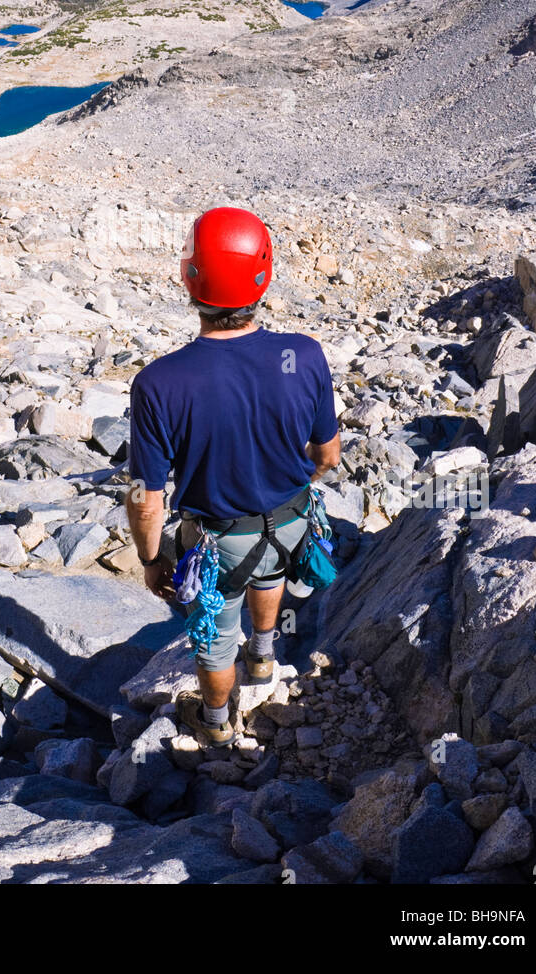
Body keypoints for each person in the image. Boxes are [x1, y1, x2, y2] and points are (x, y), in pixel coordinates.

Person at [127, 206, 341, 746]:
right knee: (268, 574)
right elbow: (329, 456)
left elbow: (147, 499)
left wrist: (153, 562)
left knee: (216, 638)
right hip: (292, 524)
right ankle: (264, 660)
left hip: (219, 540)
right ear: (263, 277)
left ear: (189, 278)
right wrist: (295, 486)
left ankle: (217, 726)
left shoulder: (159, 383)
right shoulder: (305, 354)